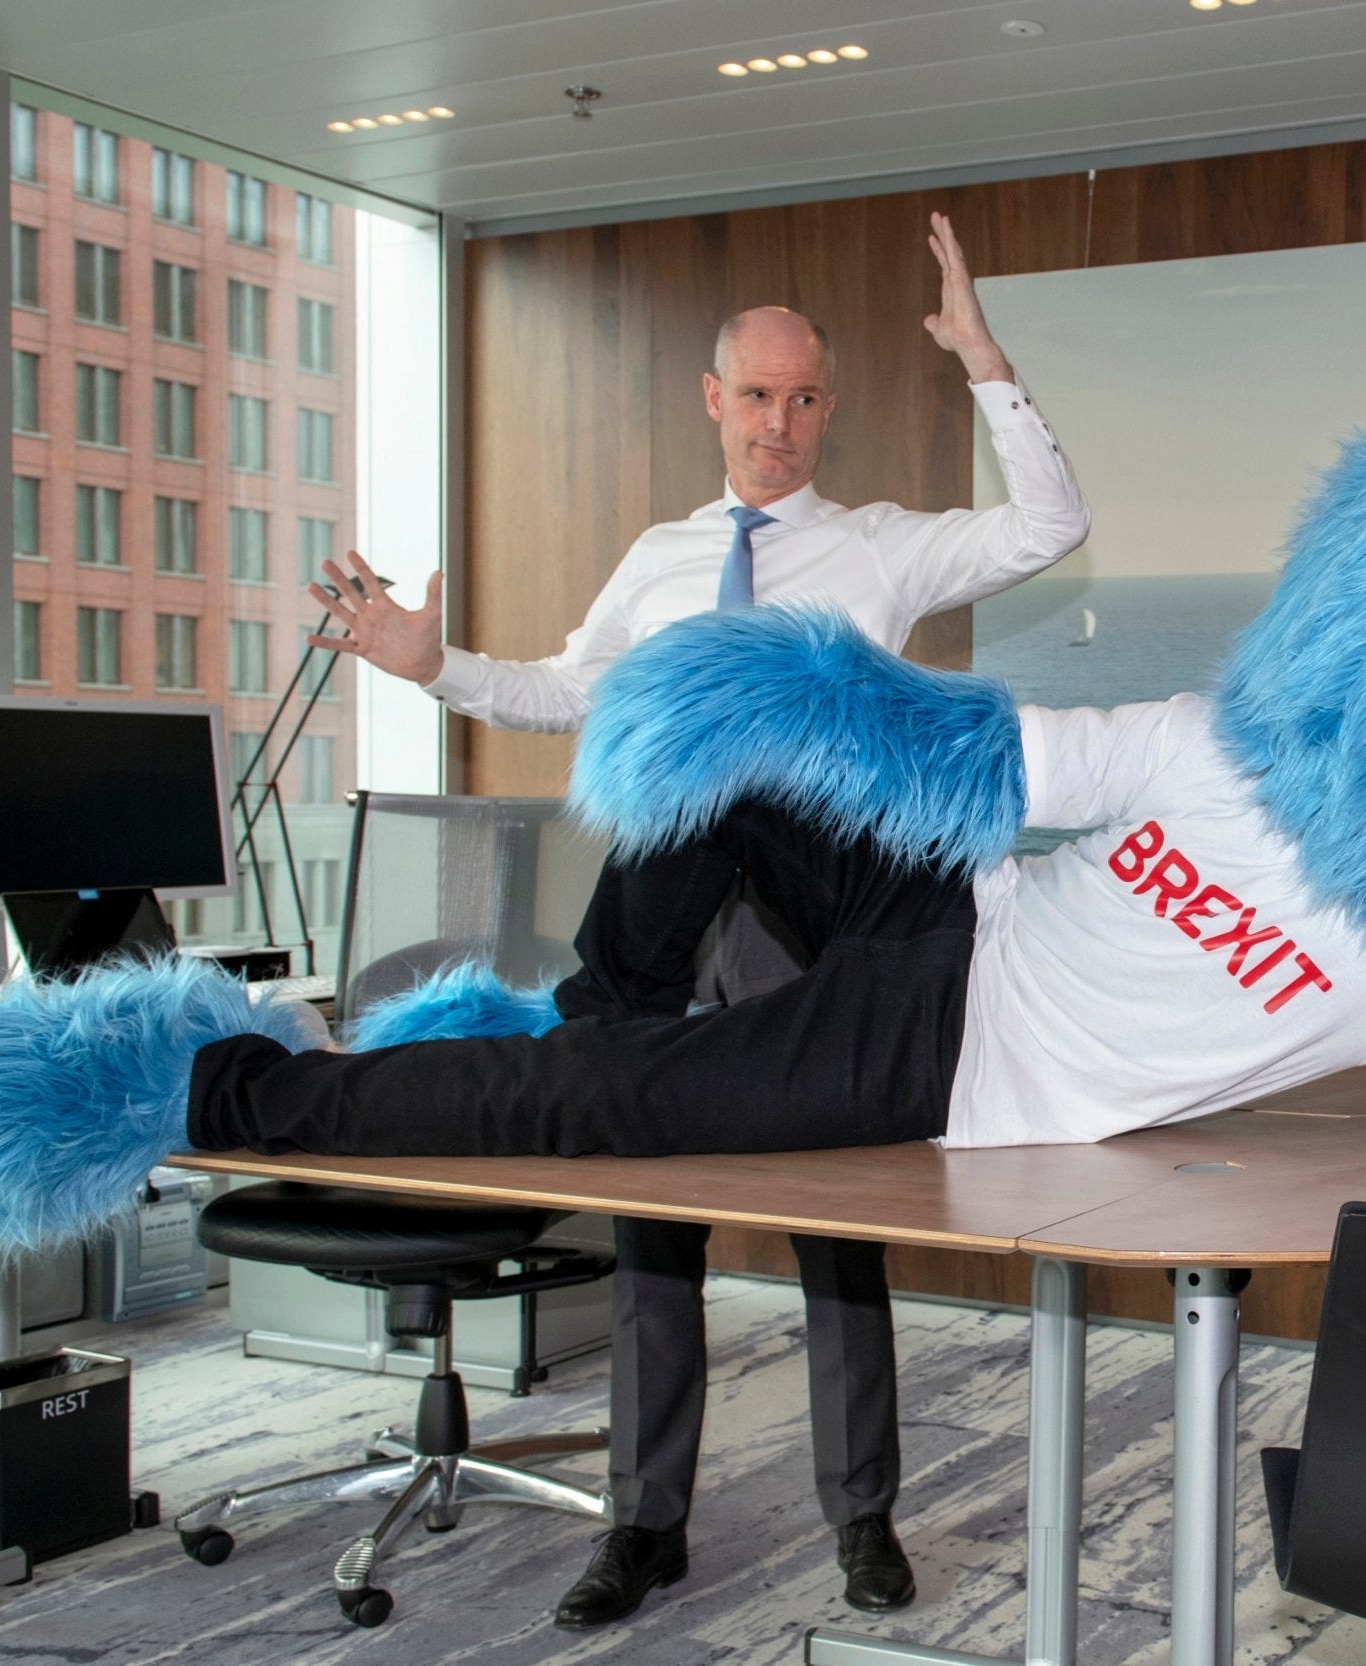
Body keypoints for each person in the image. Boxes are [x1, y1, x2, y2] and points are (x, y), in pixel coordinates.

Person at [303, 212, 1090, 1629]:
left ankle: (863, 1517)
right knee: (651, 1214)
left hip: (817, 935)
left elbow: (1050, 525)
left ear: (825, 412)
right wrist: (435, 669)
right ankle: (642, 1524)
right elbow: (564, 692)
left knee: (835, 1232)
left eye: (803, 398)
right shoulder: (661, 558)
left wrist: (980, 355)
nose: (778, 422)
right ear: (712, 402)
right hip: (672, 925)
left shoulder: (877, 550)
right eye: (756, 394)